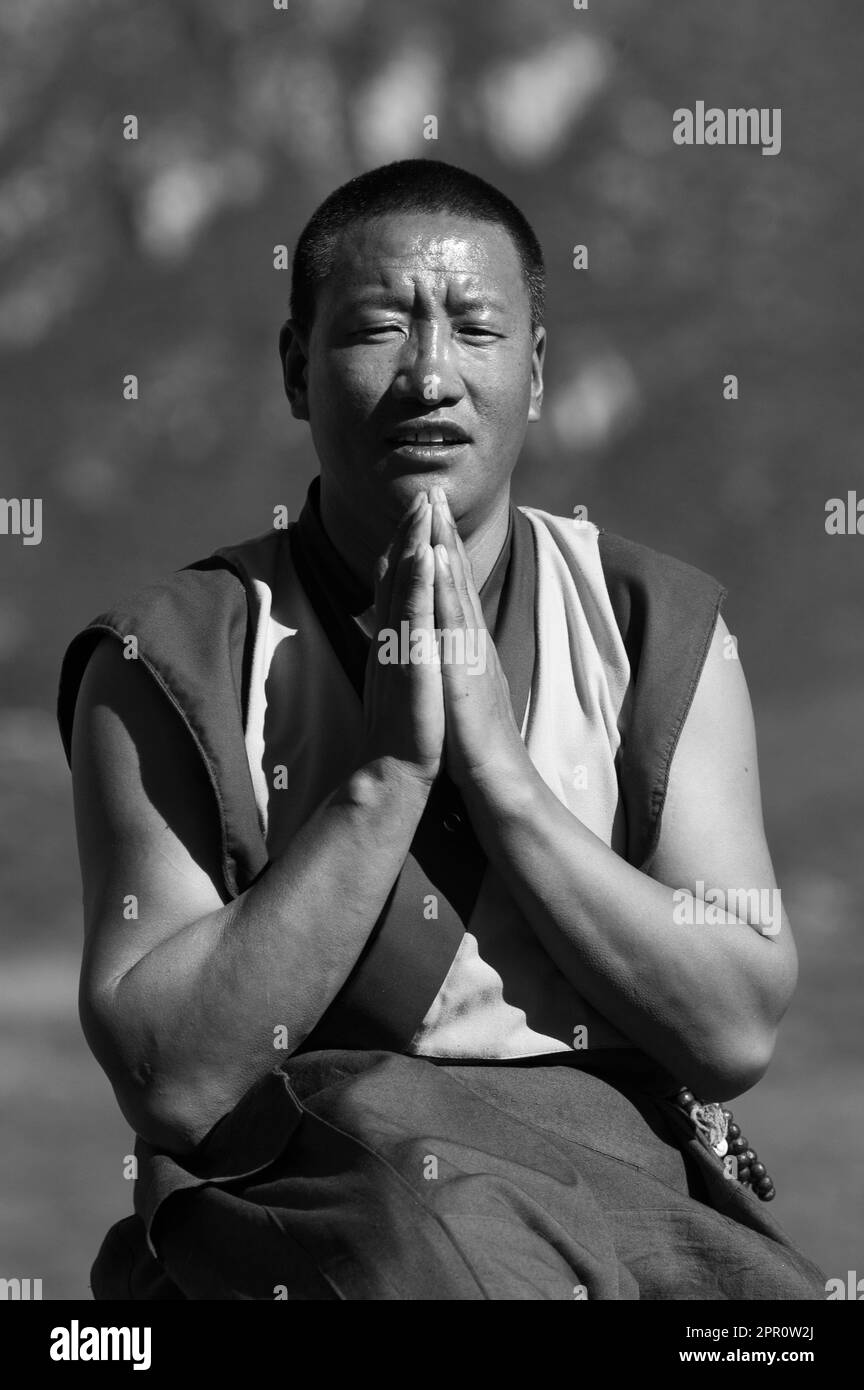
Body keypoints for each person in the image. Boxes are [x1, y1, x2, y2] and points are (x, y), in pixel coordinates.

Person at [58, 159, 825, 1300]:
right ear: (293, 370)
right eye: (376, 329)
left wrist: (502, 777)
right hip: (320, 1202)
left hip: (621, 1187)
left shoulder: (655, 627)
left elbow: (729, 1031)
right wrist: (386, 776)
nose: (429, 377)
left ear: (537, 371)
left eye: (475, 330)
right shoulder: (171, 657)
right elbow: (172, 1078)